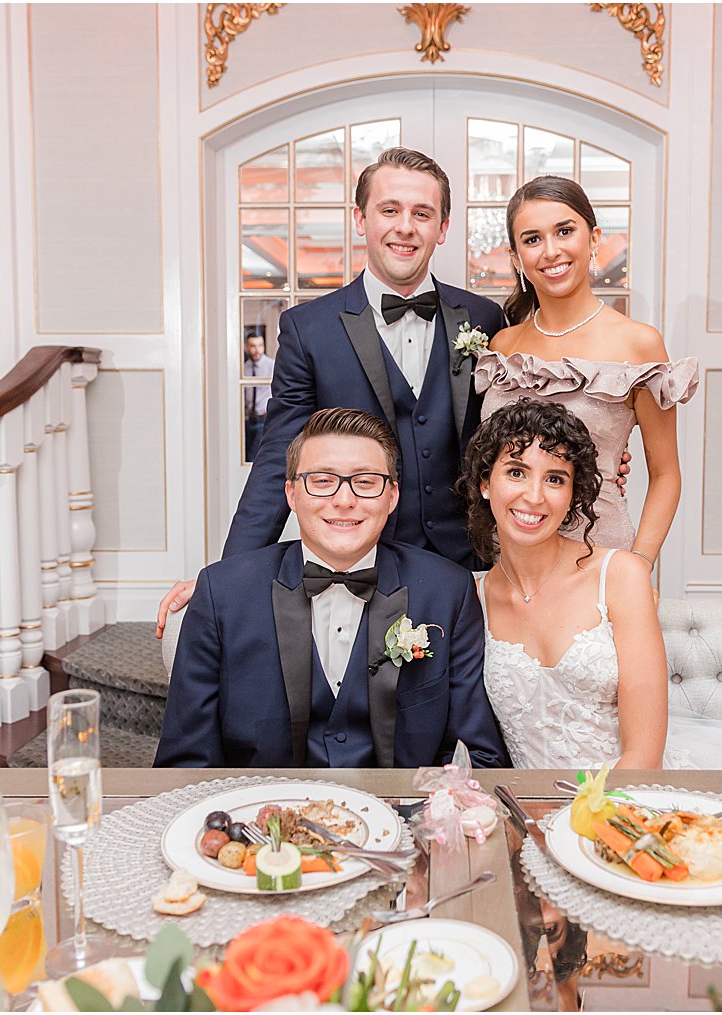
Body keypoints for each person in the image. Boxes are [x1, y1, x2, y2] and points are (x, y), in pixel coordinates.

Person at [155, 147, 508, 638]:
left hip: (471, 565)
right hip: (357, 561)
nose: (405, 227)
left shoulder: (486, 320)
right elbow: (280, 454)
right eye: (389, 210)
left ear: (442, 227)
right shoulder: (308, 329)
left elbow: (513, 432)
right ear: (360, 219)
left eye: (422, 213)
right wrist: (225, 577)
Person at [155, 408, 509, 769]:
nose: (343, 500)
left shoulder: (447, 592)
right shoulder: (222, 595)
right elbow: (184, 764)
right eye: (322, 481)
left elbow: (476, 757)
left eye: (366, 481)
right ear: (291, 493)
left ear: (392, 496)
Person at [461, 398, 722, 771]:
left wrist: (584, 822)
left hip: (632, 798)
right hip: (530, 806)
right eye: (516, 472)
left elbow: (643, 756)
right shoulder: (471, 599)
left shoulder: (621, 576)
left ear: (573, 494)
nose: (535, 495)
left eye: (555, 479)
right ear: (485, 484)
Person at [475, 175, 698, 568]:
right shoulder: (502, 346)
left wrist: (638, 564)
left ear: (593, 238)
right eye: (532, 239)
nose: (551, 250)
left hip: (600, 557)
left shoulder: (638, 344)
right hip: (509, 558)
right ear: (516, 258)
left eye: (565, 231)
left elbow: (666, 476)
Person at [242, 329, 274, 460]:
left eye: (260, 345)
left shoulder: (272, 365)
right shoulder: (245, 368)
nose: (257, 350)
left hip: (265, 418)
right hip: (249, 419)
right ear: (246, 347)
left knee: (254, 456)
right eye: (253, 346)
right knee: (246, 454)